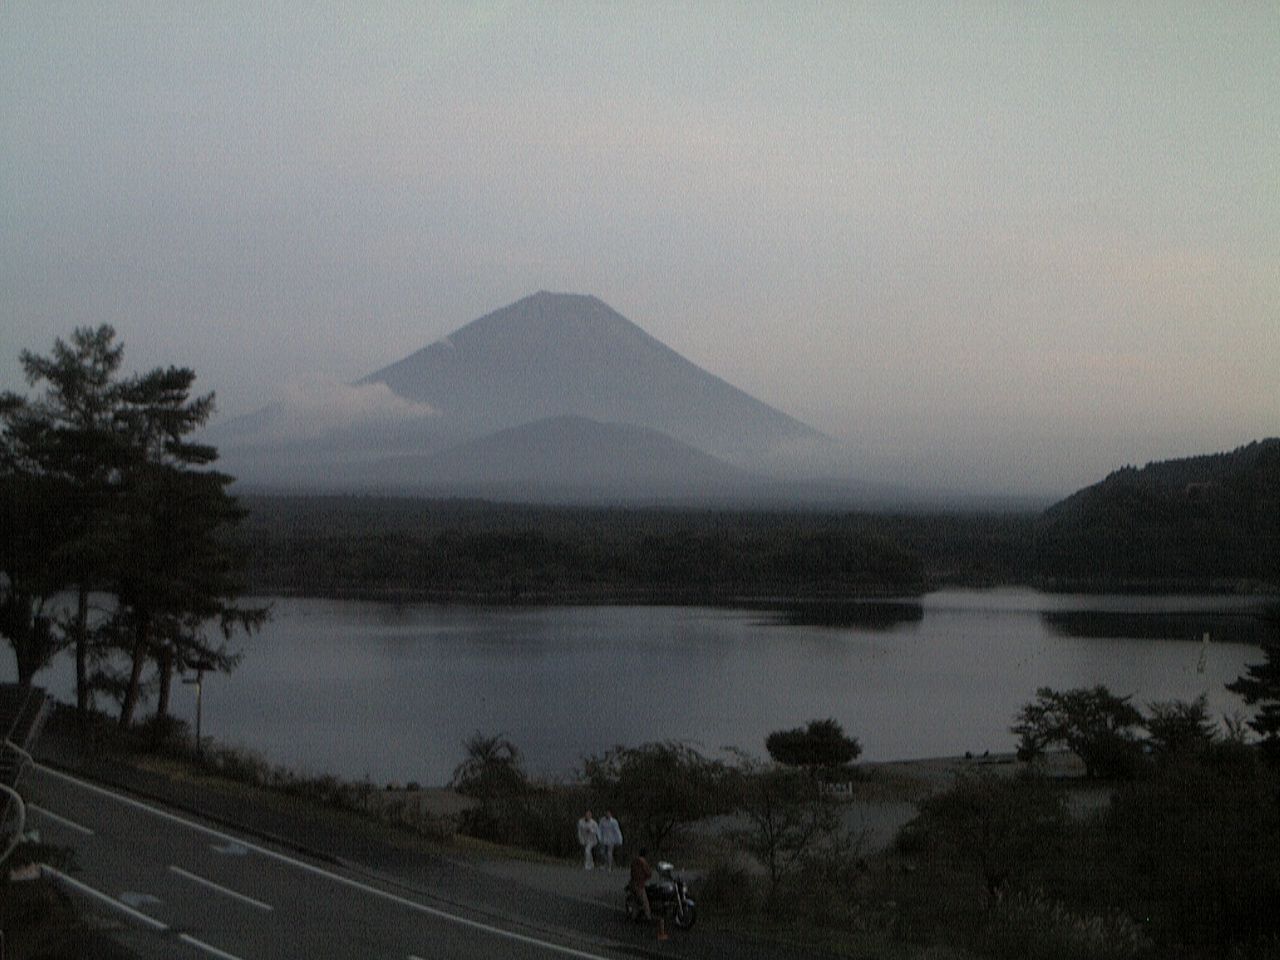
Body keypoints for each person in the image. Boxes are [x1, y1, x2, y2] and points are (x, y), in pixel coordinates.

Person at [629, 847, 667, 940]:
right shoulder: (643, 862)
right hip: (640, 885)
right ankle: (648, 917)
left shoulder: (634, 861)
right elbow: (648, 873)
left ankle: (634, 917)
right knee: (645, 902)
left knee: (635, 902)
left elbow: (632, 872)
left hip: (632, 883)